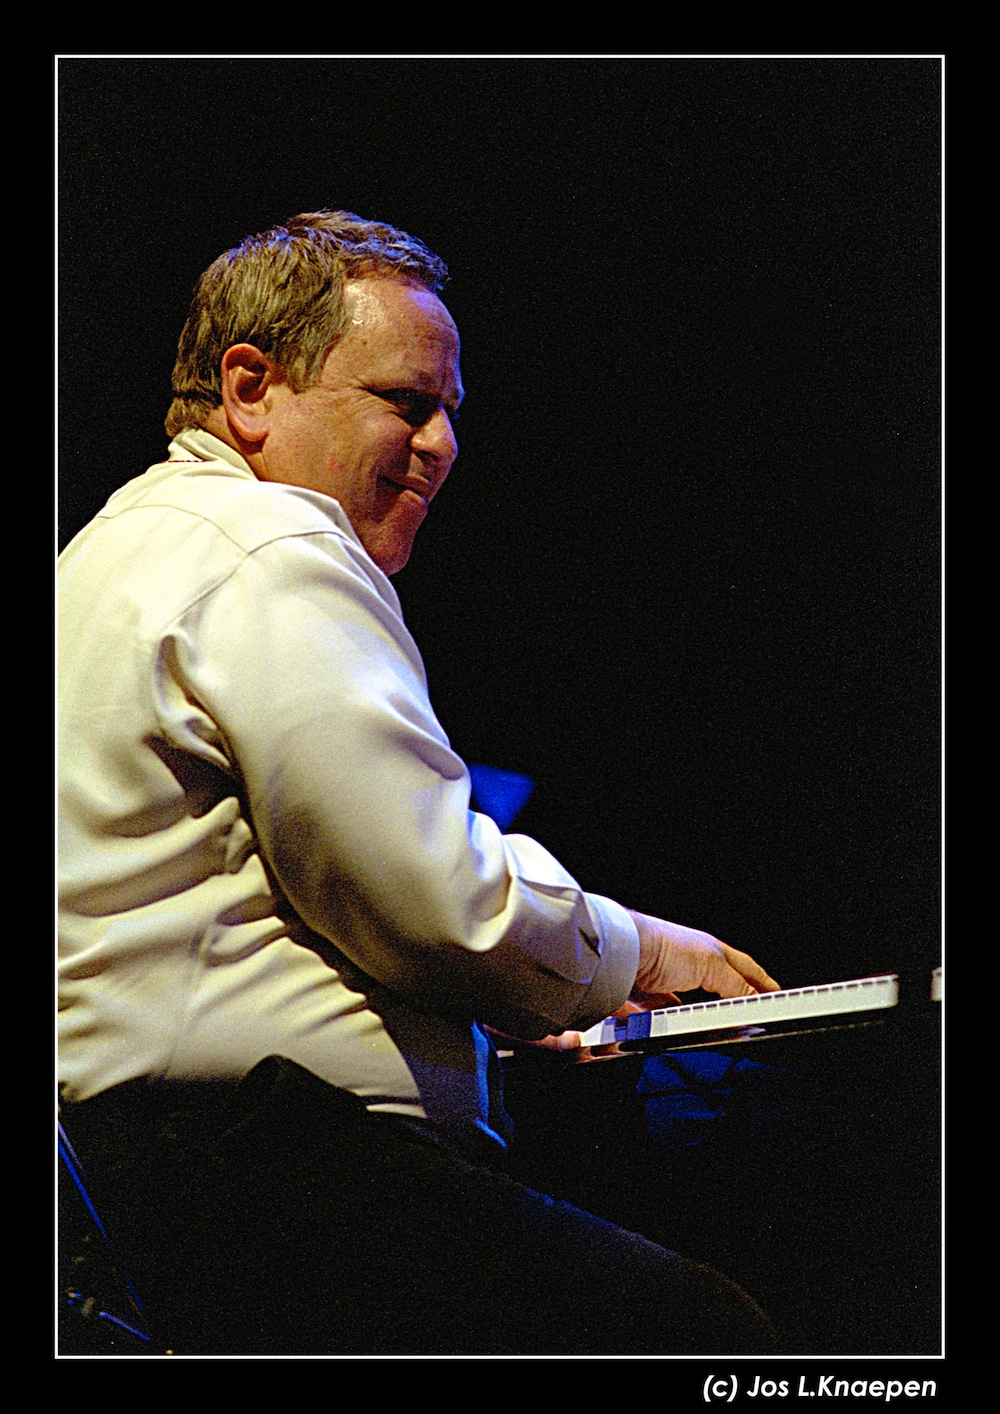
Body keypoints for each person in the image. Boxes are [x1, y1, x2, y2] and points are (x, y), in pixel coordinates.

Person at [58, 210, 781, 1356]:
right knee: (703, 1335)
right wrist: (639, 951)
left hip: (142, 1175)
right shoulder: (268, 544)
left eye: (451, 409)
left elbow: (262, 891)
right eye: (405, 401)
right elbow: (432, 897)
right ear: (250, 388)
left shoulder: (111, 549)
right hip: (259, 1172)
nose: (441, 444)